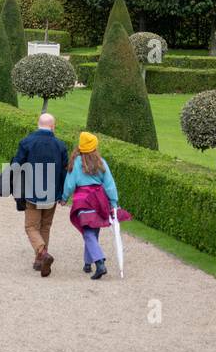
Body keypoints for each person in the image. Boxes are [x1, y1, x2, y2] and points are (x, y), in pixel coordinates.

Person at [60, 131, 129, 280]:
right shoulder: (101, 162)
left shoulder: (76, 162)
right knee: (92, 231)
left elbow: (70, 183)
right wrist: (113, 203)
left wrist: (64, 198)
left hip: (83, 201)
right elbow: (110, 185)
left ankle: (99, 263)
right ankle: (87, 263)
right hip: (99, 200)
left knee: (88, 232)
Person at [9, 113, 70, 277]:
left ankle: (42, 253)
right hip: (51, 193)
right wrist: (64, 194)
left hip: (32, 192)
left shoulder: (26, 142)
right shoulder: (60, 145)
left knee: (30, 227)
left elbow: (16, 165)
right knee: (45, 226)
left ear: (38, 124)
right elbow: (65, 172)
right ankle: (39, 260)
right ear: (53, 126)